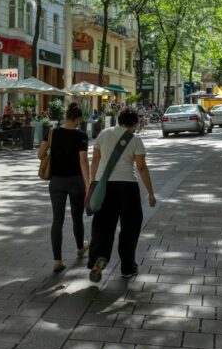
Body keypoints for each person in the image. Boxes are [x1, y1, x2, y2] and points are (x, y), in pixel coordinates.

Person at [87, 107, 156, 282]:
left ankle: (98, 260)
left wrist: (93, 183)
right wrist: (150, 193)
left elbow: (95, 160)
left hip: (105, 186)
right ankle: (127, 266)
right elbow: (141, 167)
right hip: (128, 188)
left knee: (102, 225)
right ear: (134, 123)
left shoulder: (103, 134)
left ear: (119, 119)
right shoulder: (135, 140)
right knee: (130, 228)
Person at [37, 102, 90, 273]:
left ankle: (57, 260)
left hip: (57, 181)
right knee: (77, 217)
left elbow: (40, 154)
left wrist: (52, 153)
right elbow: (83, 160)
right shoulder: (81, 135)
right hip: (76, 181)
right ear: (78, 118)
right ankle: (81, 247)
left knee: (57, 220)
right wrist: (88, 183)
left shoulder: (52, 132)